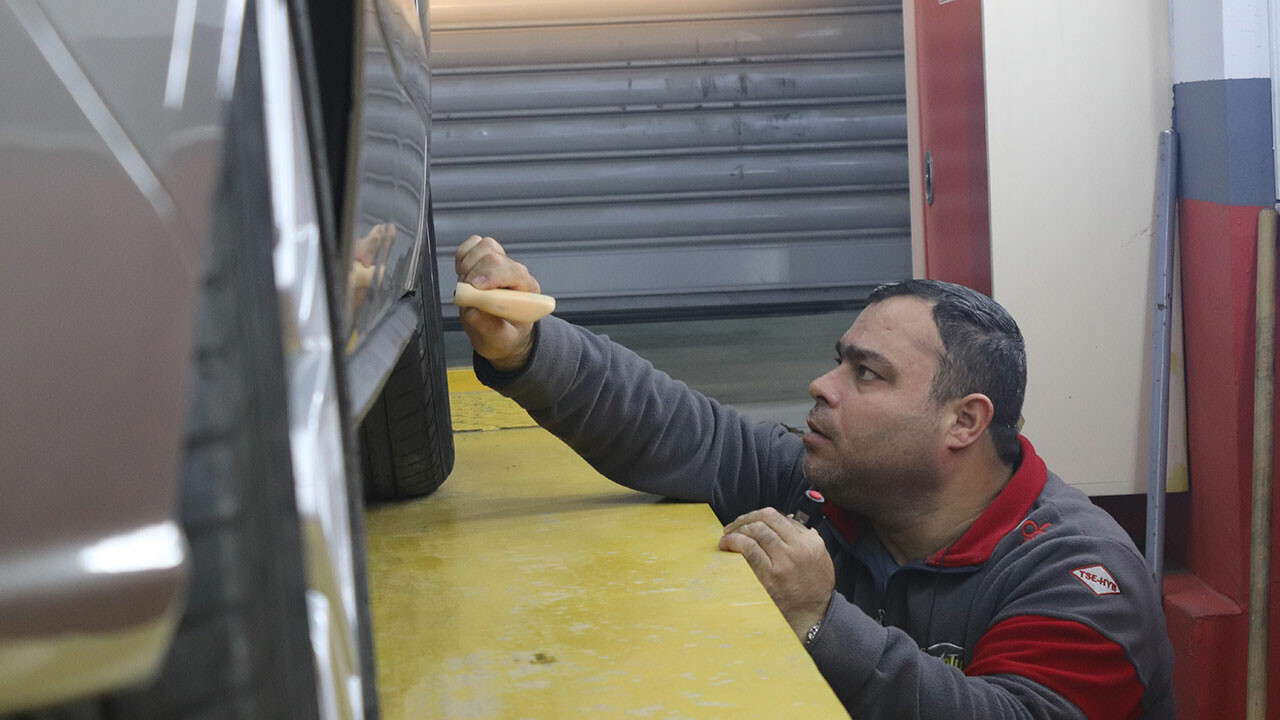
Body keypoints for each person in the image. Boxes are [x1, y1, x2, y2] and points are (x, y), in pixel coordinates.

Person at [454, 235, 1176, 718]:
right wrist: (531, 348)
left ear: (964, 421)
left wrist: (820, 622)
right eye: (841, 360)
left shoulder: (1079, 577)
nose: (822, 385)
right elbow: (684, 430)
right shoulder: (830, 487)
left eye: (867, 373)